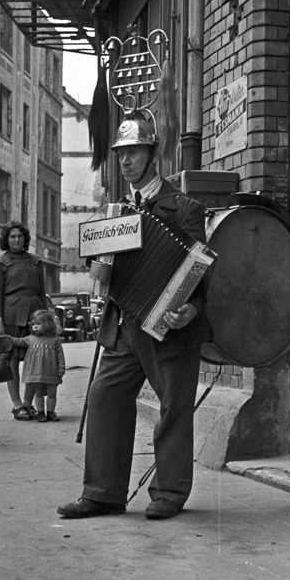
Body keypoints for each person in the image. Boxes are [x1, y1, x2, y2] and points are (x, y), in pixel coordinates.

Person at [58, 110, 206, 520]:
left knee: (174, 405)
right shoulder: (114, 212)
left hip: (166, 324)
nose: (125, 162)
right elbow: (103, 271)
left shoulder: (184, 208)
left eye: (134, 153)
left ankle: (169, 493)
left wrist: (191, 308)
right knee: (104, 397)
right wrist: (98, 268)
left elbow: (201, 270)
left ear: (152, 154)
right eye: (121, 154)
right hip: (124, 321)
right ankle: (103, 493)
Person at [0, 221, 48, 420]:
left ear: (25, 239)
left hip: (36, 314)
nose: (16, 240)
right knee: (12, 360)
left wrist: (47, 318)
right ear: (6, 239)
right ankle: (16, 405)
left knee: (37, 360)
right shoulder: (0, 262)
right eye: (12, 237)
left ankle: (28, 402)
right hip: (12, 315)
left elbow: (42, 291)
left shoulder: (35, 261)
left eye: (20, 236)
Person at [9, 308, 66, 422]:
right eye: (33, 324)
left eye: (38, 324)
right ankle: (40, 413)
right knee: (38, 393)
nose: (35, 326)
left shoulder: (54, 340)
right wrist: (7, 338)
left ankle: (50, 412)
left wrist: (61, 368)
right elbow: (17, 341)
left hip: (51, 372)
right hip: (36, 373)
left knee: (52, 393)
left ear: (48, 325)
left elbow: (60, 356)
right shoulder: (30, 339)